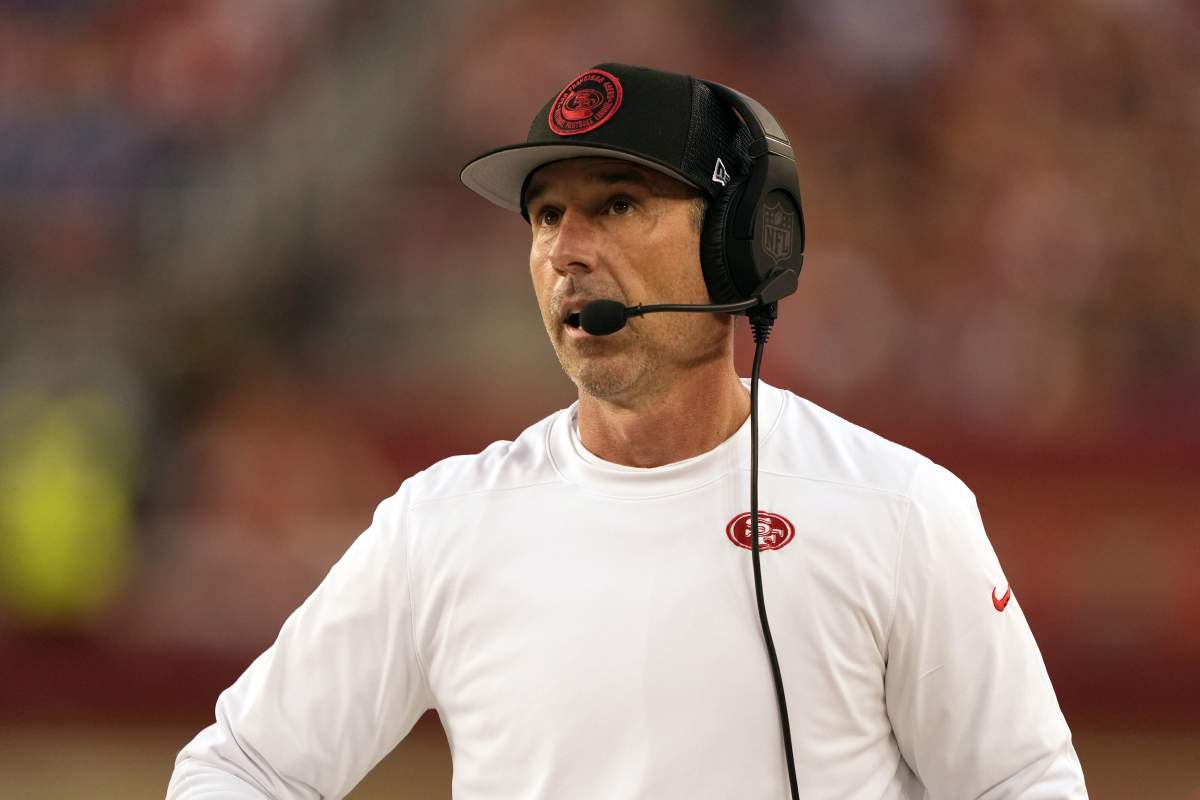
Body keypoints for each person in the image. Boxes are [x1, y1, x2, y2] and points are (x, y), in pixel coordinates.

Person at [168, 63, 1088, 799]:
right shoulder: (441, 524)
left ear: (741, 243)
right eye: (546, 216)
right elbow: (241, 768)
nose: (567, 251)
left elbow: (1022, 783)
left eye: (617, 205)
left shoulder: (897, 511)